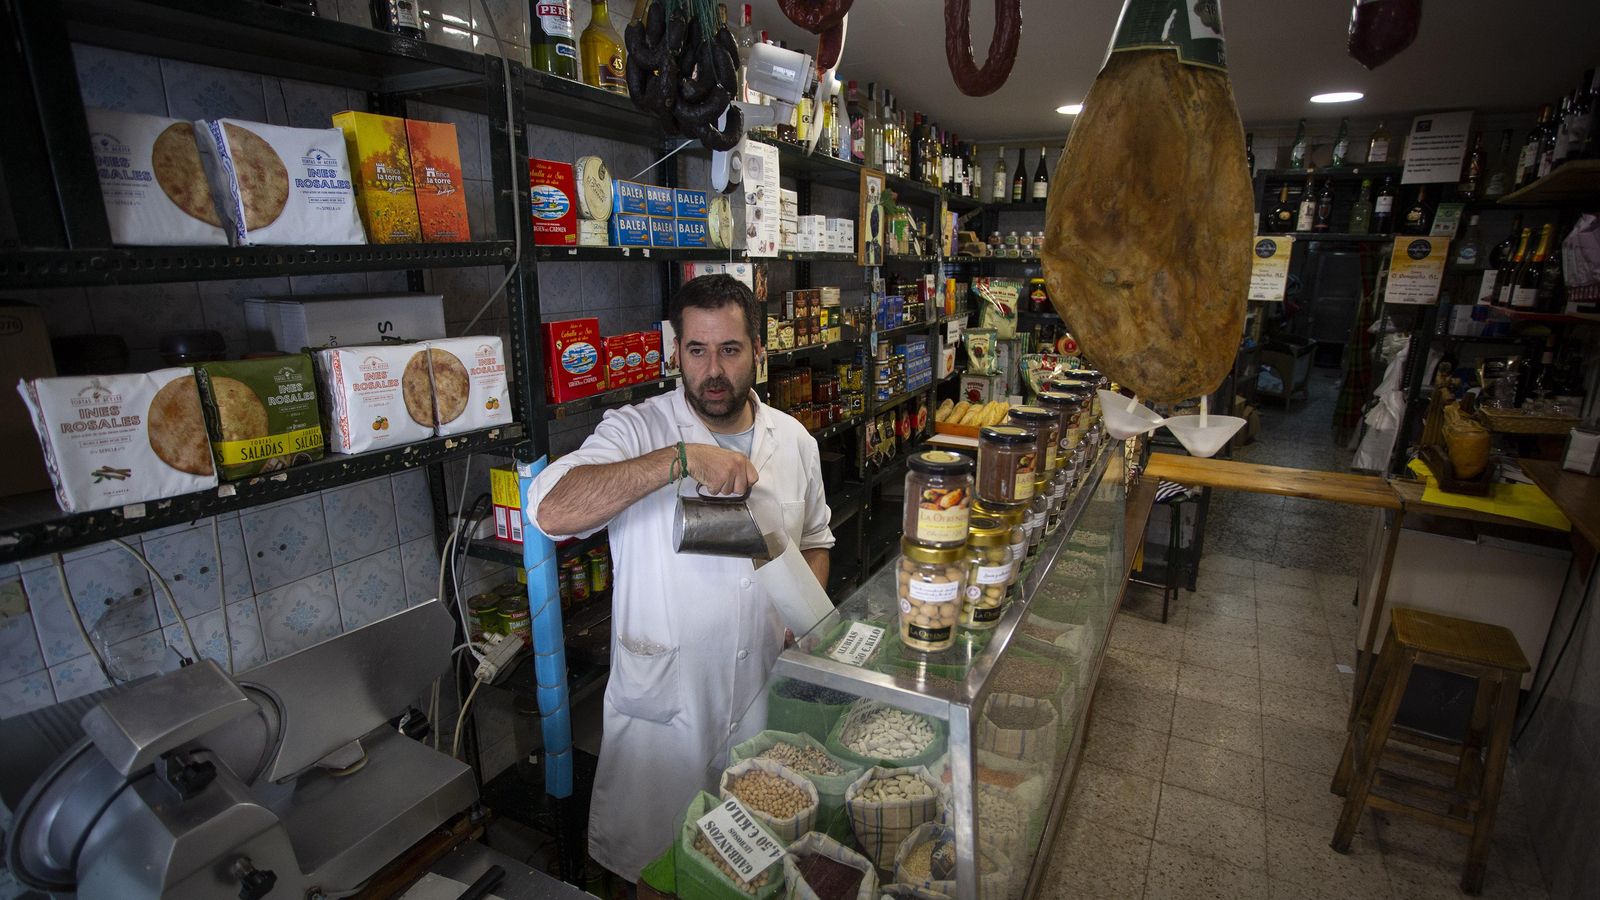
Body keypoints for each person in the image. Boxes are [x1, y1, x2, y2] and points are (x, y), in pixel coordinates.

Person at [528, 274, 834, 882]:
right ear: (676, 352)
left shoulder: (795, 441)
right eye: (697, 350)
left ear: (759, 351)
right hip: (665, 715)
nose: (712, 370)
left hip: (762, 700)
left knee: (749, 876)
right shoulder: (636, 430)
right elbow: (551, 510)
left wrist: (805, 618)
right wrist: (682, 460)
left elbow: (817, 540)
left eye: (730, 350)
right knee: (657, 873)